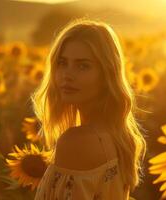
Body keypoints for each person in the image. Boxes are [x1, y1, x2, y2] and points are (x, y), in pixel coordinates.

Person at [31, 18, 146, 200]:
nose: (67, 75)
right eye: (62, 63)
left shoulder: (77, 142)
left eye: (83, 66)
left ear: (106, 75)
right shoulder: (117, 135)